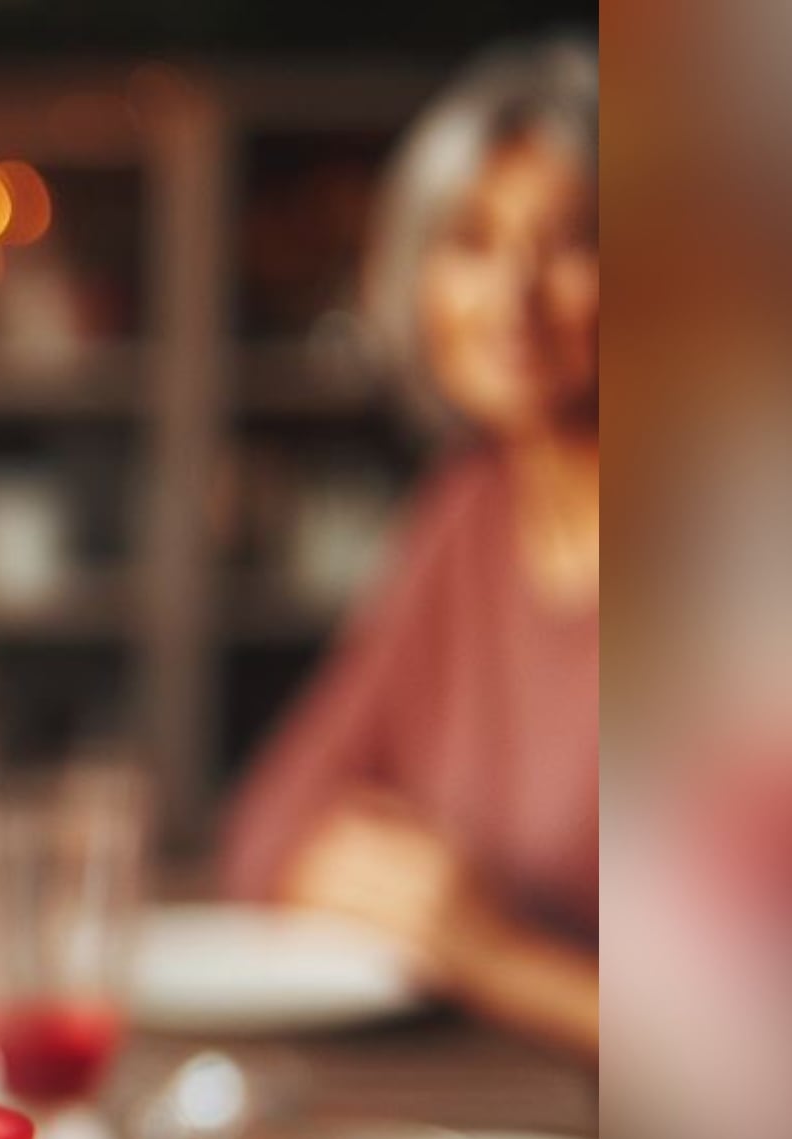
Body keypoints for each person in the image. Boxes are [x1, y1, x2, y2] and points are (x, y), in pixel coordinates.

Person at [218, 38, 601, 1060]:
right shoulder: (469, 510)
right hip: (496, 1118)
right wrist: (379, 879)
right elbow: (267, 830)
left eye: (575, 243)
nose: (514, 294)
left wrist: (492, 953)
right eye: (471, 241)